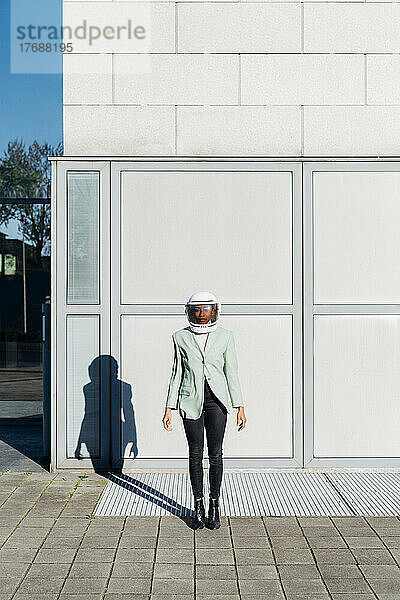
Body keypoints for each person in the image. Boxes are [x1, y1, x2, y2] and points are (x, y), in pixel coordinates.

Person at [162, 291, 247, 530]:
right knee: (195, 453)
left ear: (214, 311)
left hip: (217, 402)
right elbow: (176, 372)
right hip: (190, 400)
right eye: (197, 310)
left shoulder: (226, 337)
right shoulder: (180, 337)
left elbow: (232, 372)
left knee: (216, 454)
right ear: (190, 311)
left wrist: (239, 405)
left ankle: (214, 505)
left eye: (206, 310)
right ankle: (197, 506)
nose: (201, 315)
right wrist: (169, 407)